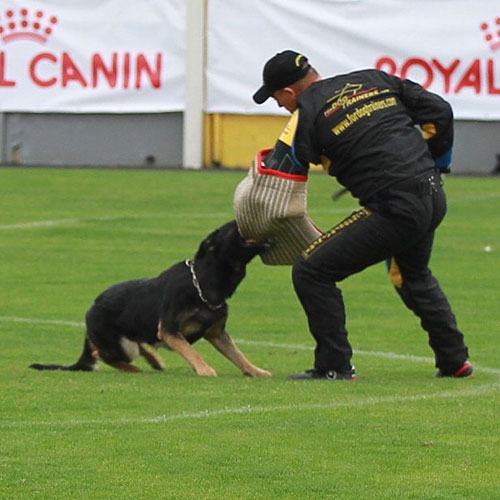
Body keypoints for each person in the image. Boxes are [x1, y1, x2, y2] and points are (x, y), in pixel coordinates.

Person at [252, 50, 472, 380]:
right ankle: (454, 360)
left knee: (312, 270)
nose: (281, 107)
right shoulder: (374, 79)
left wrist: (257, 224)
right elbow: (440, 111)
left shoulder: (304, 114)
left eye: (277, 100)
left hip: (393, 208)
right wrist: (436, 164)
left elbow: (277, 177)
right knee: (412, 276)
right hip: (432, 194)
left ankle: (334, 365)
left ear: (289, 93)